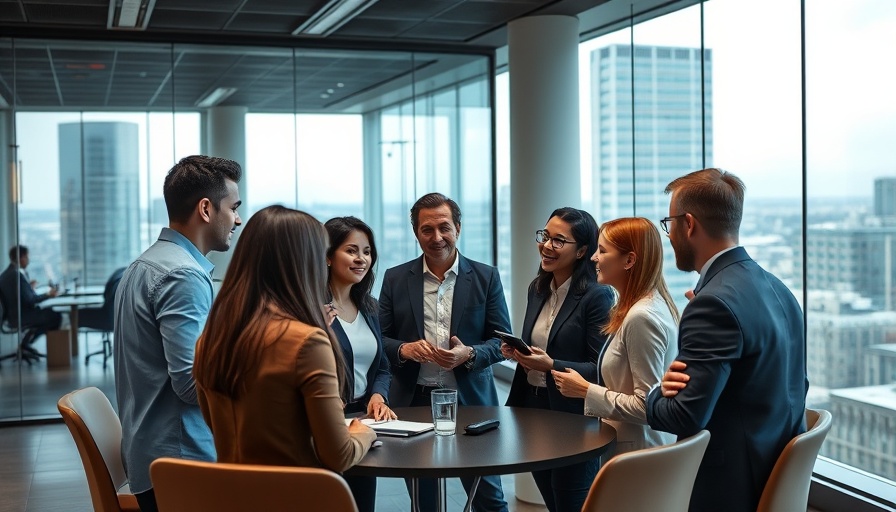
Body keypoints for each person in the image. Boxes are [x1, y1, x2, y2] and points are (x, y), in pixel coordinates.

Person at [645, 168, 808, 512]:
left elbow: (684, 418)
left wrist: (653, 391)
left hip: (727, 490)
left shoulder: (714, 303)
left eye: (668, 223)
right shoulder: (778, 289)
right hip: (770, 475)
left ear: (688, 224)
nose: (669, 235)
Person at [193, 206, 376, 475]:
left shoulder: (211, 339)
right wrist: (364, 432)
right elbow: (339, 455)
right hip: (294, 497)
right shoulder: (308, 342)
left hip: (232, 496)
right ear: (303, 262)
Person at [114, 155, 242, 512]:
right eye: (233, 208)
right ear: (206, 208)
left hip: (153, 456)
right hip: (183, 462)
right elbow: (191, 384)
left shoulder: (147, 263)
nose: (238, 219)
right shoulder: (182, 275)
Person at [380, 192, 511, 512]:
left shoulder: (486, 276)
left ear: (458, 228)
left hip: (471, 403)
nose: (436, 237)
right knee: (424, 500)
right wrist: (405, 349)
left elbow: (503, 344)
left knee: (489, 498)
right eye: (427, 229)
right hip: (414, 402)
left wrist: (469, 354)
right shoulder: (395, 278)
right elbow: (379, 339)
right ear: (416, 233)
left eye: (444, 227)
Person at [502, 207, 613, 512]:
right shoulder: (537, 288)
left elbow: (599, 369)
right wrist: (519, 354)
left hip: (572, 417)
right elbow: (538, 349)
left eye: (559, 241)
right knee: (551, 500)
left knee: (571, 503)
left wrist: (550, 365)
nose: (547, 246)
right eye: (545, 236)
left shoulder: (596, 296)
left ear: (582, 252)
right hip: (533, 410)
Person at [552, 217, 679, 457]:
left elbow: (646, 406)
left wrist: (585, 390)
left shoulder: (641, 317)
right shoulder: (648, 305)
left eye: (602, 250)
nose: (594, 258)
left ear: (629, 260)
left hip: (638, 456)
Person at [324, 216, 395, 512]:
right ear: (328, 256)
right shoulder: (310, 307)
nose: (361, 259)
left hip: (362, 425)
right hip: (324, 425)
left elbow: (382, 367)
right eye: (351, 251)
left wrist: (378, 394)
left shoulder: (369, 306)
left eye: (367, 252)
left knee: (362, 504)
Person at [0, 245, 61, 360]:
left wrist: (28, 288)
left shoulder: (7, 274)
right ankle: (28, 344)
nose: (28, 260)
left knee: (49, 313)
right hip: (20, 317)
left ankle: (25, 344)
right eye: (27, 257)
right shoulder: (16, 275)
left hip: (12, 316)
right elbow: (31, 301)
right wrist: (49, 294)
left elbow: (20, 297)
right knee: (55, 316)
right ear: (21, 257)